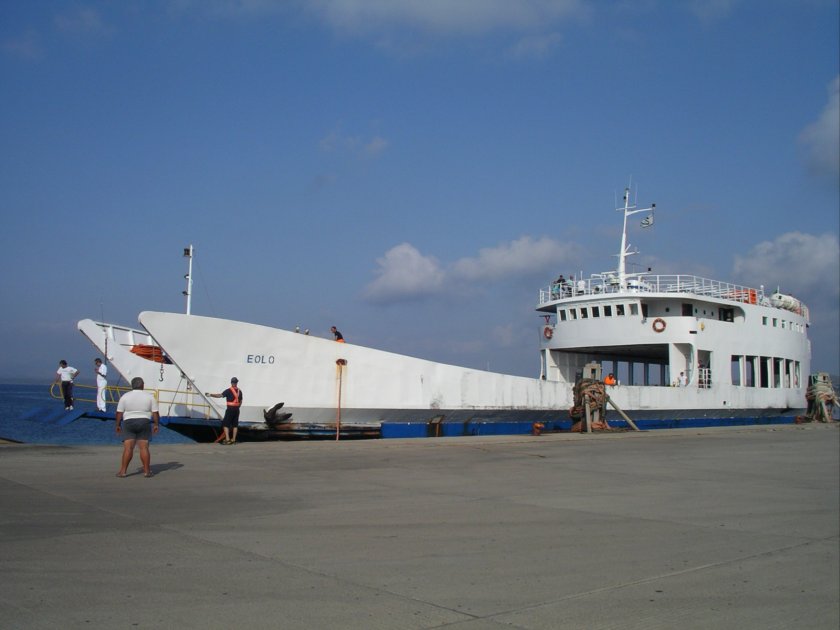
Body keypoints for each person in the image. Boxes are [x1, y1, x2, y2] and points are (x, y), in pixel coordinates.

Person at [115, 377, 160, 478]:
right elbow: (155, 413)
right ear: (142, 385)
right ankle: (147, 471)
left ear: (132, 385)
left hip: (128, 422)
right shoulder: (150, 397)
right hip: (144, 422)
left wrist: (117, 425)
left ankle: (123, 471)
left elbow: (119, 412)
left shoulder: (125, 396)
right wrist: (156, 424)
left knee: (128, 448)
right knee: (144, 447)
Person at [206, 377, 243, 445]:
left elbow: (220, 395)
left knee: (225, 424)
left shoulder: (228, 390)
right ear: (237, 383)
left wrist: (210, 395)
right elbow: (240, 401)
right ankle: (233, 439)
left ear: (231, 382)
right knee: (235, 425)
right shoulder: (239, 391)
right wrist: (237, 407)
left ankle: (227, 439)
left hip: (230, 409)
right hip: (237, 410)